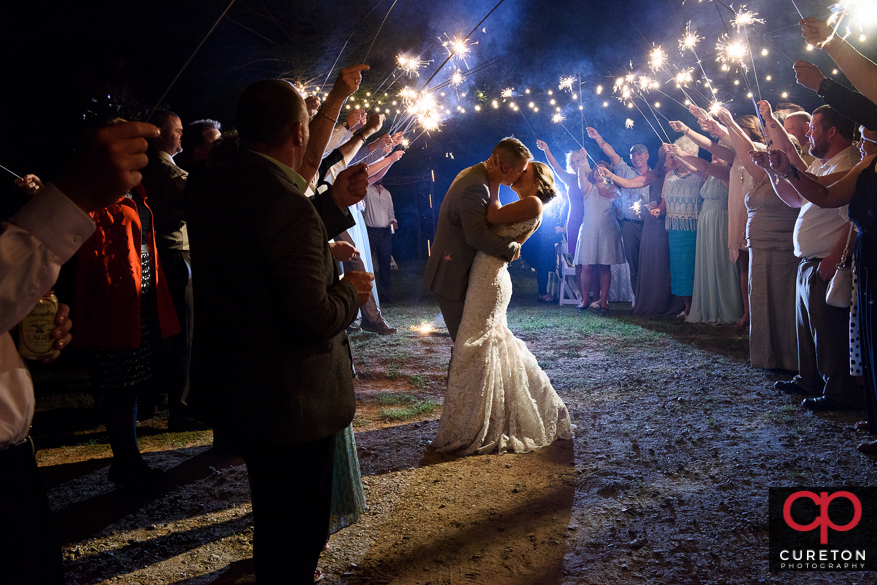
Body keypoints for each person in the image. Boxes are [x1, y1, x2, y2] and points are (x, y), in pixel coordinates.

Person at [186, 68, 374, 584]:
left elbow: (265, 243)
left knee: (273, 516)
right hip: (291, 399)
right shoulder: (282, 201)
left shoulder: (216, 183)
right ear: (297, 133)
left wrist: (331, 207)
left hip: (243, 384)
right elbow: (311, 314)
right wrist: (348, 293)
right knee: (298, 531)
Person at [0, 121, 159, 585]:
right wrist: (71, 195)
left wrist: (19, 340)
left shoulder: (138, 200)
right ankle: (126, 460)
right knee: (118, 384)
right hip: (114, 306)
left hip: (17, 465)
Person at [432, 160, 573, 454]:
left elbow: (493, 215)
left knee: (474, 342)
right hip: (487, 273)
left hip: (490, 277)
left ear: (538, 182)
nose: (518, 174)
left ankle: (481, 419)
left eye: (525, 173)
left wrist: (494, 179)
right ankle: (488, 413)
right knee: (487, 342)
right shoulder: (529, 203)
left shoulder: (533, 204)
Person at [762, 103, 861, 410]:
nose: (808, 133)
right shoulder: (821, 164)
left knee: (830, 332)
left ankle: (838, 391)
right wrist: (774, 170)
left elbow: (853, 221)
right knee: (809, 329)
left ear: (832, 131)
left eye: (813, 127)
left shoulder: (850, 163)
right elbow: (796, 198)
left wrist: (835, 258)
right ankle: (810, 379)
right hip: (808, 259)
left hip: (827, 262)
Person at [423, 137, 529, 341]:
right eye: (520, 170)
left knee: (471, 345)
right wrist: (513, 247)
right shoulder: (476, 185)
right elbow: (477, 236)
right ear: (505, 166)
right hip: (452, 276)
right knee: (467, 344)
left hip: (457, 272)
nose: (520, 176)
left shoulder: (477, 176)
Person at [139, 109, 197, 429]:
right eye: (176, 130)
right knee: (182, 334)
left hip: (171, 253)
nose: (180, 135)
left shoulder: (166, 165)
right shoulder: (162, 166)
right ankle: (181, 407)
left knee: (173, 333)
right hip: (175, 254)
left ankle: (164, 397)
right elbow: (194, 196)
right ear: (160, 133)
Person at [587, 128, 651, 293]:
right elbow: (612, 155)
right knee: (634, 265)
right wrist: (598, 137)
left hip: (651, 225)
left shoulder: (655, 175)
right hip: (630, 225)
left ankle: (652, 301)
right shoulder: (625, 171)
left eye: (639, 154)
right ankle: (637, 302)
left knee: (652, 263)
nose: (636, 158)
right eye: (633, 155)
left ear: (647, 155)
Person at [534, 140, 590, 303]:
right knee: (578, 260)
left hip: (590, 218)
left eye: (577, 160)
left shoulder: (591, 175)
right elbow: (556, 167)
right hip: (574, 220)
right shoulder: (569, 179)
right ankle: (582, 296)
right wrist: (547, 149)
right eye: (572, 162)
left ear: (583, 160)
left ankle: (593, 296)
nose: (574, 164)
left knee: (591, 260)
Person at [577, 160, 624, 312]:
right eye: (596, 169)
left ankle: (603, 301)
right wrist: (582, 162)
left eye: (602, 169)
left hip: (608, 230)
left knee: (605, 266)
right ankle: (585, 300)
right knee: (586, 266)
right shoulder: (588, 187)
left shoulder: (613, 189)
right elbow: (581, 178)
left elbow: (620, 203)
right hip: (589, 230)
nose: (598, 171)